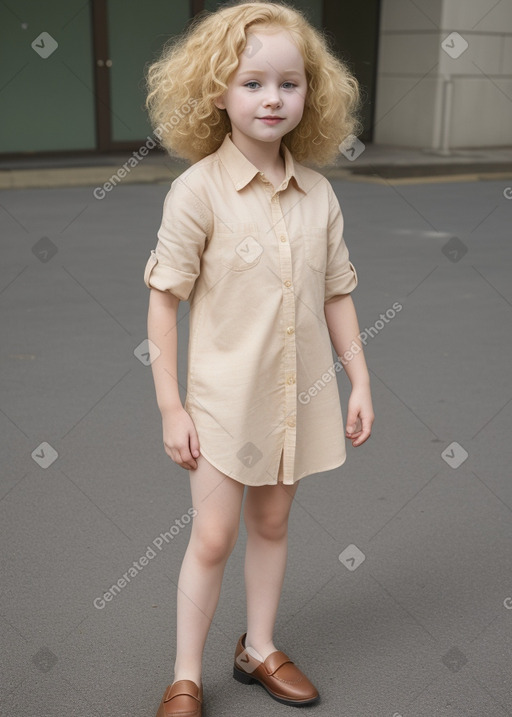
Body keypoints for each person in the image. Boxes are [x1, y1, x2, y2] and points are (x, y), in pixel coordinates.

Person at [143, 2, 374, 715]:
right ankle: (185, 673)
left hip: (296, 398)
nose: (272, 98)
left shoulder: (320, 195)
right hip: (221, 403)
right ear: (216, 92)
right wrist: (171, 405)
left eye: (289, 83)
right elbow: (163, 301)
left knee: (272, 525)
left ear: (312, 93)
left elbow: (337, 294)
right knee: (213, 537)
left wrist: (360, 378)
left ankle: (259, 646)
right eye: (251, 83)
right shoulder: (197, 193)